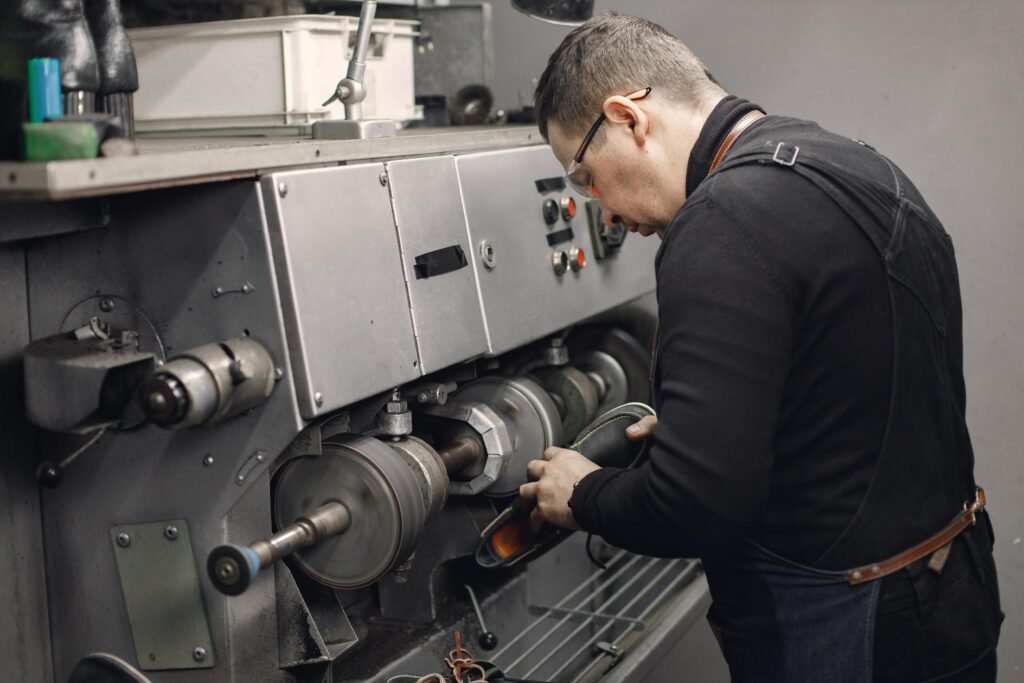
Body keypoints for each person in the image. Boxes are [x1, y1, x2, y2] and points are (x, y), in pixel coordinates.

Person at [517, 14, 1003, 683]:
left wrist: (585, 493)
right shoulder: (849, 162)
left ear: (628, 118)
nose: (603, 214)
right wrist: (722, 422)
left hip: (851, 630)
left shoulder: (722, 222)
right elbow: (864, 384)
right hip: (951, 598)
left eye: (586, 176)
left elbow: (696, 505)